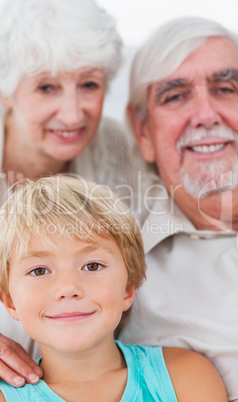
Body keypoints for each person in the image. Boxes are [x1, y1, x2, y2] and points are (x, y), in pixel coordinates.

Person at [0, 0, 134, 390]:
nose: (73, 114)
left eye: (89, 84)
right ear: (3, 90)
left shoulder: (114, 147)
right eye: (47, 87)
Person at [0, 176, 228, 401]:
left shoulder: (185, 377)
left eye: (92, 266)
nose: (68, 288)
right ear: (10, 302)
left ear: (127, 289)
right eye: (39, 271)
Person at [119, 16, 238, 401]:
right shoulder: (110, 255)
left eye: (227, 88)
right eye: (175, 96)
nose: (206, 115)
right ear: (143, 133)